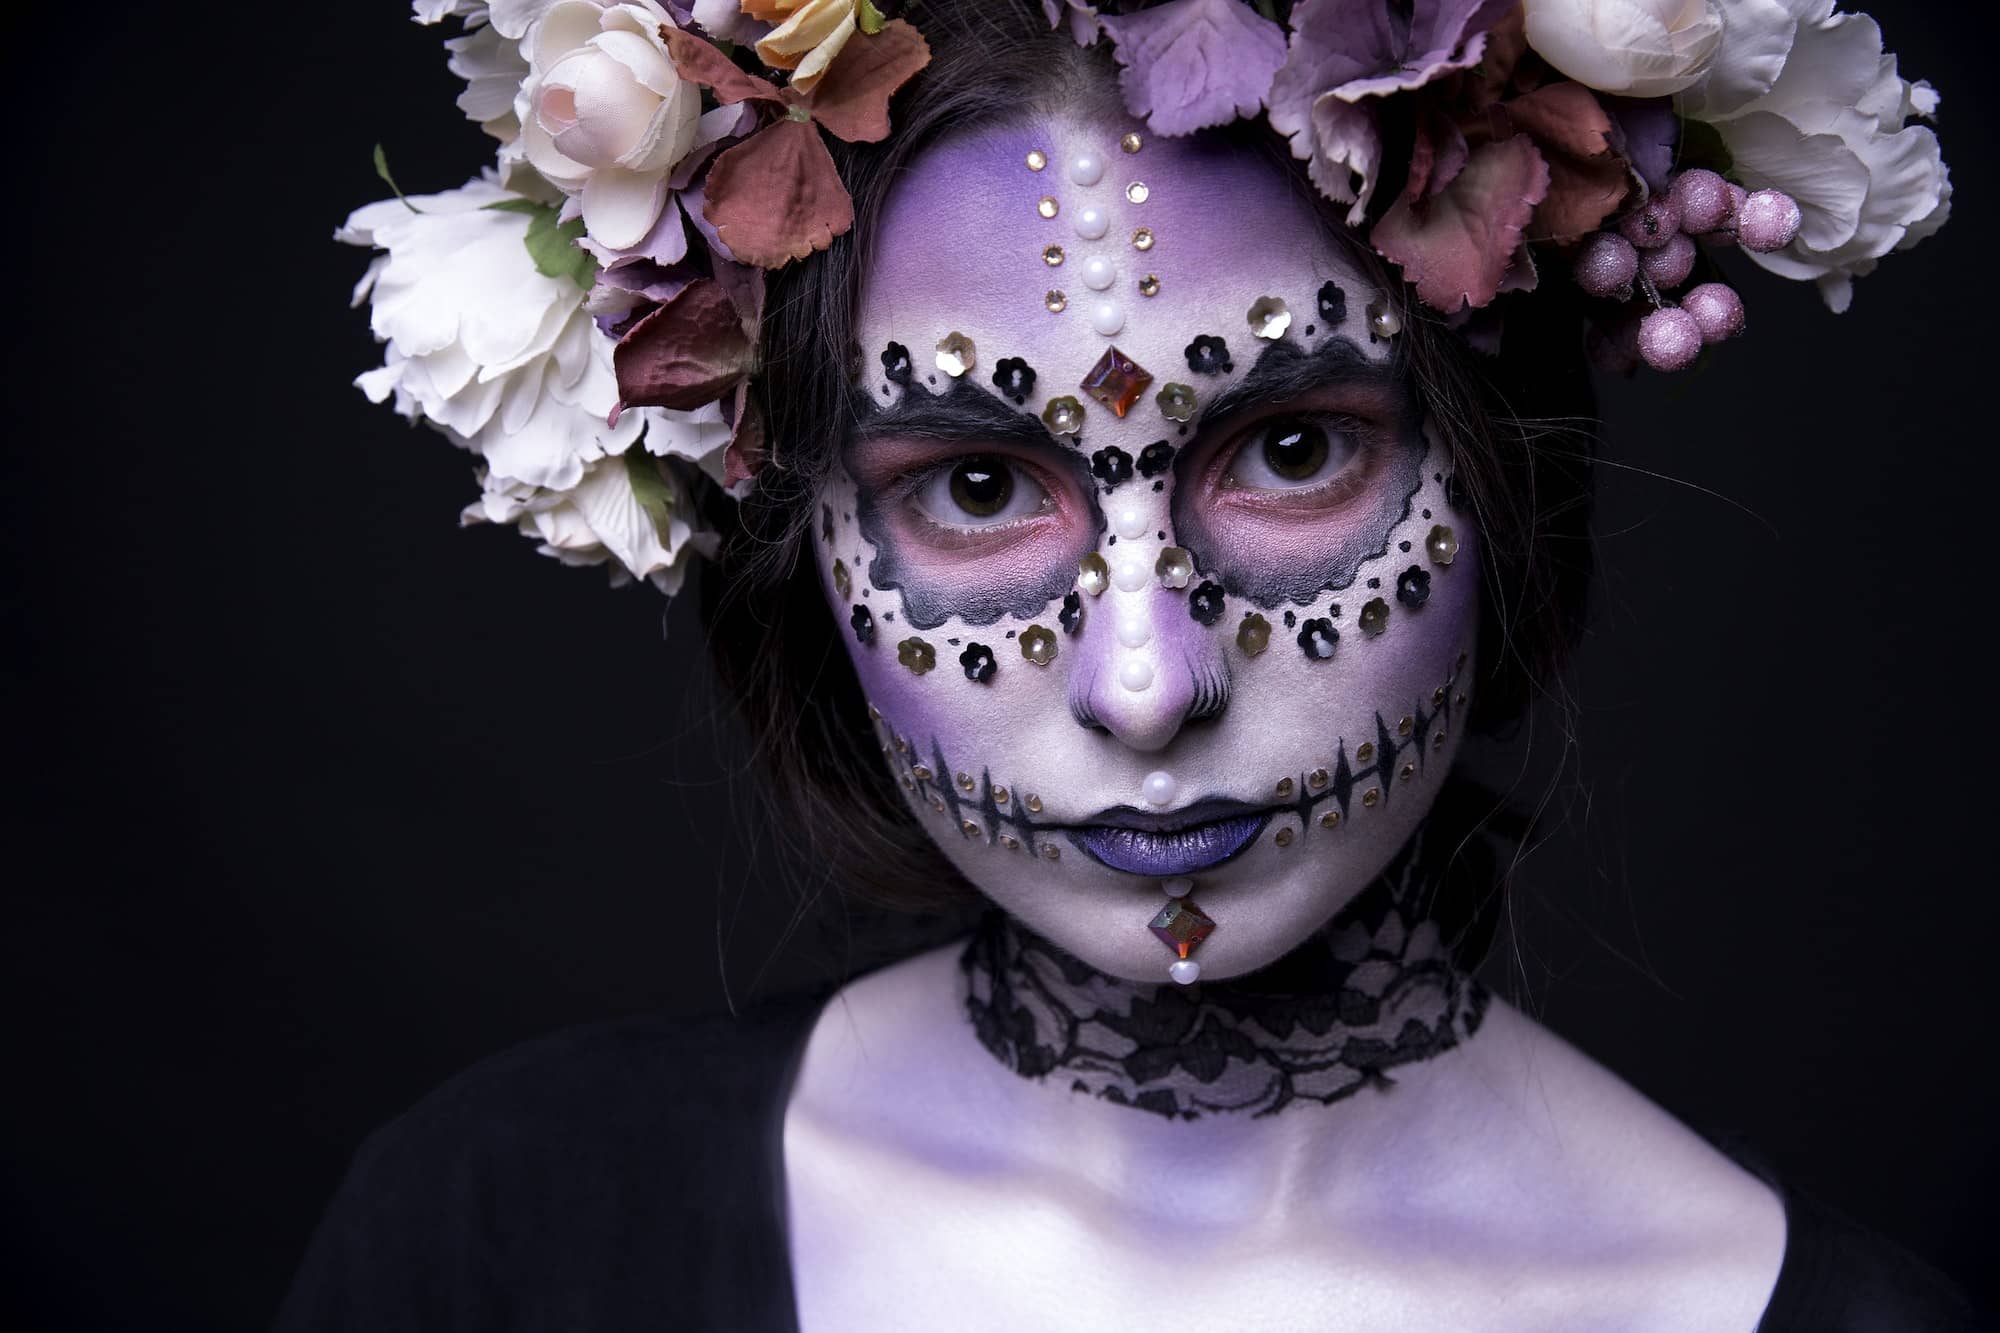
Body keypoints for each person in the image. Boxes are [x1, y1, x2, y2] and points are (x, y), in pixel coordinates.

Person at [293, 1, 1977, 1328]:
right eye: (971, 486)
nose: (1147, 685)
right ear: (792, 531)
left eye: (1299, 449)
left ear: (1502, 478)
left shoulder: (1795, 1314)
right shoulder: (501, 1232)